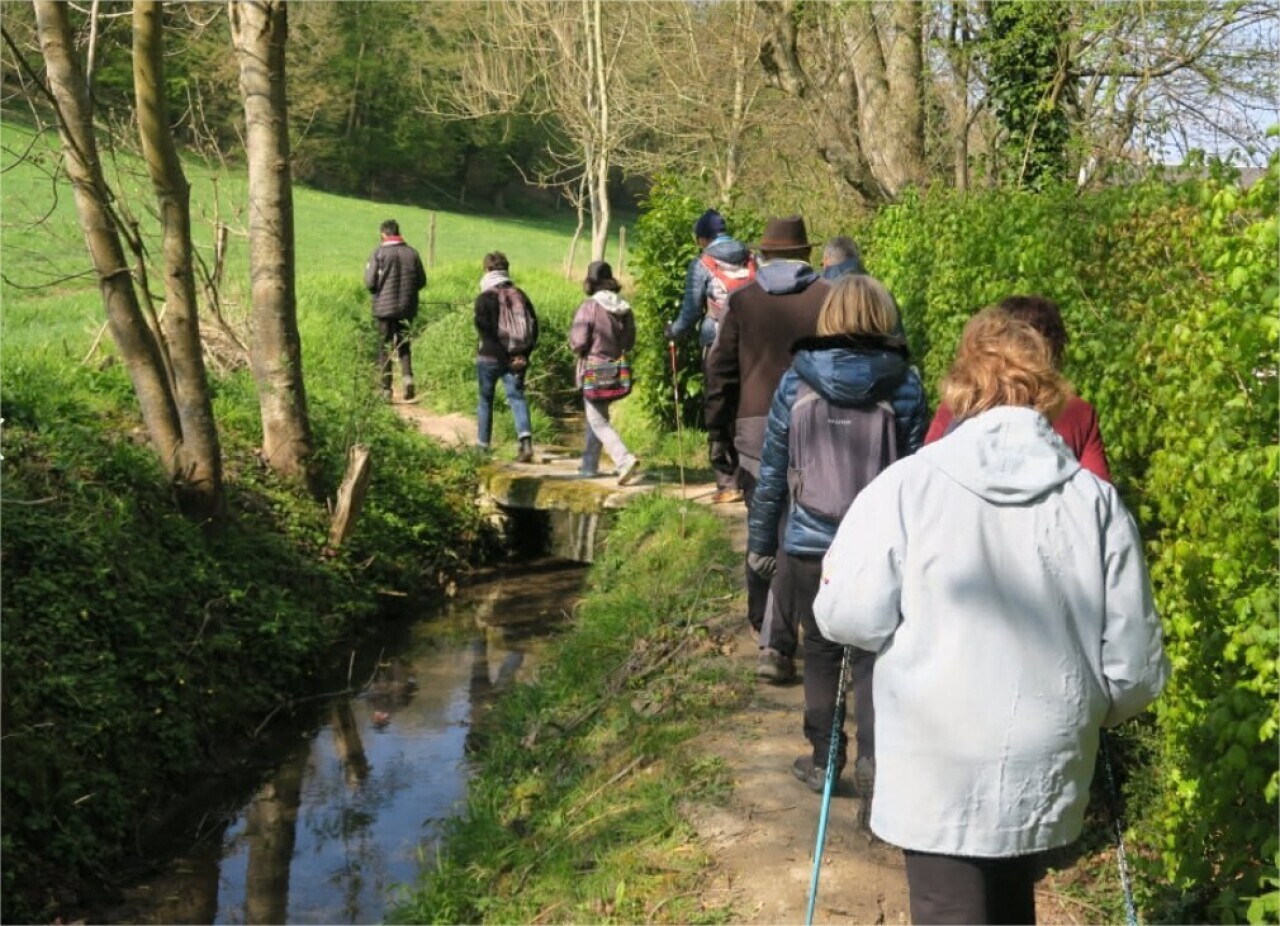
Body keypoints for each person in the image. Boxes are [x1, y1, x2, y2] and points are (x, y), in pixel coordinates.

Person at [814, 308, 1169, 925]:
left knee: (948, 908)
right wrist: (1090, 709)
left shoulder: (906, 486)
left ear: (962, 387)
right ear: (1046, 390)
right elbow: (1135, 666)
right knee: (1009, 903)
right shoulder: (1094, 502)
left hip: (936, 749)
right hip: (1046, 745)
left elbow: (849, 617)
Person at [746, 275, 927, 795]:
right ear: (883, 317)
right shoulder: (906, 384)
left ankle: (825, 761)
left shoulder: (795, 381)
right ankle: (875, 760)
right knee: (876, 654)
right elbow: (918, 473)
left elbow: (774, 472)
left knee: (822, 652)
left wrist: (761, 544)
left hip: (810, 543)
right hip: (882, 547)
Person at [705, 214, 830, 682]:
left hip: (755, 426)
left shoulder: (741, 301)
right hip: (816, 424)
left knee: (765, 523)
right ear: (806, 254)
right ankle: (787, 632)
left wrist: (717, 433)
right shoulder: (829, 298)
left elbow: (720, 375)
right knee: (800, 528)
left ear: (765, 254)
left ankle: (768, 629)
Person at [925, 294, 1111, 481]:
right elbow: (1100, 487)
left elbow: (926, 471)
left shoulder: (960, 402)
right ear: (1055, 352)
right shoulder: (1078, 414)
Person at [664, 208, 755, 504]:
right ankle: (751, 477)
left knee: (718, 406)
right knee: (748, 406)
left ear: (703, 238)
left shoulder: (703, 263)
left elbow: (690, 313)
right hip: (754, 344)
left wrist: (673, 332)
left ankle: (727, 482)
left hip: (716, 341)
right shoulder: (754, 258)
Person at [569, 261, 641, 485]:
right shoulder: (625, 308)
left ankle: (624, 460)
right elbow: (629, 343)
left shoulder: (589, 307)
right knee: (598, 416)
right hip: (617, 368)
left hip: (595, 368)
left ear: (590, 282)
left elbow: (578, 342)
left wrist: (575, 346)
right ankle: (589, 466)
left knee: (597, 420)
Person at [474, 251, 539, 461]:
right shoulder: (520, 294)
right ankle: (526, 445)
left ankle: (483, 448)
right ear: (506, 269)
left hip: (490, 358)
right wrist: (523, 355)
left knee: (486, 400)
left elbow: (486, 332)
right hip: (516, 358)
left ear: (486, 270)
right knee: (517, 398)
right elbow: (534, 327)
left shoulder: (484, 298)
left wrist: (502, 357)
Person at [363, 219, 426, 401]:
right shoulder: (412, 253)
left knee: (384, 347)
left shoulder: (379, 253)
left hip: (384, 308)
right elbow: (421, 281)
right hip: (407, 307)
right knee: (404, 344)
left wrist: (377, 291)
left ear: (383, 234)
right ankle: (407, 379)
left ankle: (386, 389)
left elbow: (369, 282)